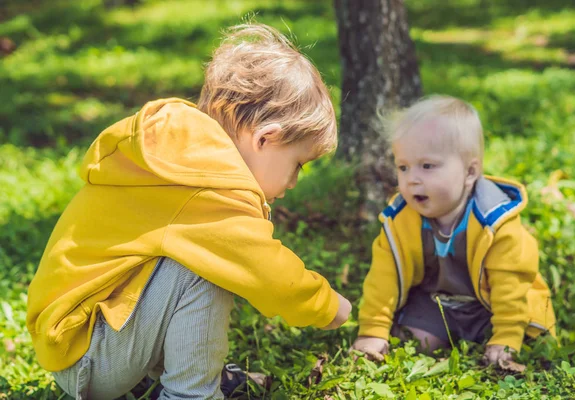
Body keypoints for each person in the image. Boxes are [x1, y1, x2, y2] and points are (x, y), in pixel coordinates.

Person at [26, 23, 351, 399]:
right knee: (205, 266)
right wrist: (329, 306)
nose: (294, 181)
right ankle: (189, 393)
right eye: (298, 164)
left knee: (188, 255)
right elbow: (268, 272)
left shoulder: (180, 156)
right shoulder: (210, 186)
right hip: (91, 357)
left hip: (71, 340)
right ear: (266, 139)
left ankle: (164, 374)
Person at [351, 95, 556, 365]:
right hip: (437, 303)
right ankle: (439, 333)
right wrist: (373, 330)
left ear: (470, 172)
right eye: (403, 167)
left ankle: (499, 337)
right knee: (414, 342)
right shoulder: (400, 221)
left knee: (528, 344)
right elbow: (383, 278)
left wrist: (506, 336)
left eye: (427, 166)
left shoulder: (496, 223)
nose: (412, 179)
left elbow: (511, 285)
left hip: (489, 306)